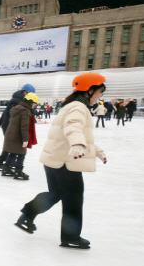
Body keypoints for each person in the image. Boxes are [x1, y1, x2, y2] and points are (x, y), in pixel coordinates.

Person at [14, 72, 108, 250]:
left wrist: (96, 151)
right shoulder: (79, 107)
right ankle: (71, 237)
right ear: (90, 91)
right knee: (73, 199)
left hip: (54, 159)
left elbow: (71, 135)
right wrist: (78, 143)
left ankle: (27, 215)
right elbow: (73, 127)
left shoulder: (70, 105)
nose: (100, 96)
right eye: (99, 92)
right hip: (66, 162)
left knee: (56, 193)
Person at [0, 83, 35, 171]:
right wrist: (5, 124)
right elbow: (9, 113)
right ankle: (0, 163)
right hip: (10, 126)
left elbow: (6, 111)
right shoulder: (18, 100)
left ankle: (9, 161)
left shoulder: (19, 100)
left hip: (11, 125)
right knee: (11, 145)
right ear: (25, 92)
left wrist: (1, 121)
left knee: (12, 145)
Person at [0, 93, 39, 180]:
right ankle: (18, 171)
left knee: (13, 153)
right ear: (30, 102)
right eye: (34, 104)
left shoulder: (17, 108)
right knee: (22, 154)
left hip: (11, 135)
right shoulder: (25, 112)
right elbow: (24, 127)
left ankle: (6, 168)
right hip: (18, 137)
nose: (35, 106)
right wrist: (26, 140)